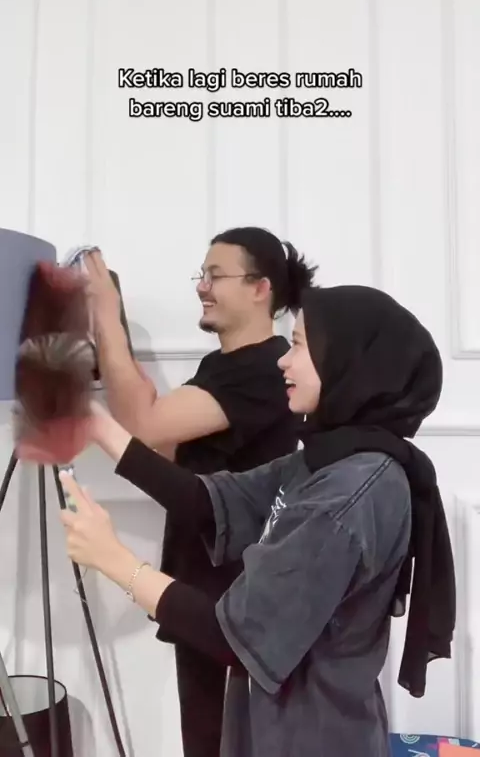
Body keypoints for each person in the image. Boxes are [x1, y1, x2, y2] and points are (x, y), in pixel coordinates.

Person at [60, 284, 456, 757]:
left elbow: (231, 637)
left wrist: (112, 559)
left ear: (346, 362)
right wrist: (98, 423)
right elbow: (208, 501)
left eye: (299, 345)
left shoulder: (347, 494)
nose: (283, 361)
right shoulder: (326, 461)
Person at [82, 227, 317, 757]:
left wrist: (106, 319)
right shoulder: (224, 367)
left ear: (259, 288)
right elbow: (163, 445)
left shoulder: (265, 369)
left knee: (228, 742)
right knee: (206, 740)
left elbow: (143, 426)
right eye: (201, 274)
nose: (202, 286)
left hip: (237, 599)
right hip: (202, 589)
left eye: (215, 275)